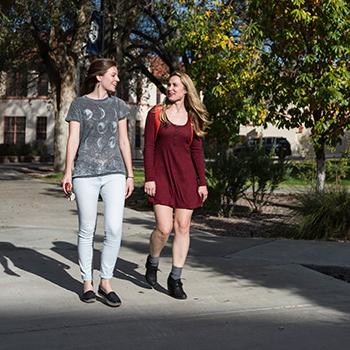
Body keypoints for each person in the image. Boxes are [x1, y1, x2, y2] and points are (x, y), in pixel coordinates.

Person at [62, 58, 134, 307]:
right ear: (99, 77)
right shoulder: (79, 104)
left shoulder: (120, 106)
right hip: (85, 173)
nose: (117, 79)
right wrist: (68, 172)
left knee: (114, 229)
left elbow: (124, 141)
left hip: (114, 172)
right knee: (87, 229)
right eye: (113, 75)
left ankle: (106, 280)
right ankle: (87, 283)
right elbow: (73, 140)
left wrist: (130, 174)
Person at [143, 71, 209, 299]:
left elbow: (197, 151)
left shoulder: (193, 118)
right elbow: (149, 147)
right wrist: (149, 178)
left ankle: (175, 278)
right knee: (164, 228)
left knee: (183, 227)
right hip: (161, 177)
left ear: (185, 90)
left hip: (186, 178)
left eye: (174, 85)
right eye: (168, 85)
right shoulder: (156, 114)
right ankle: (152, 262)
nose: (170, 88)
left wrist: (202, 182)